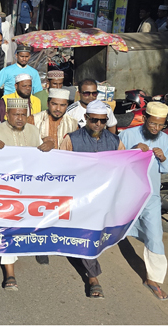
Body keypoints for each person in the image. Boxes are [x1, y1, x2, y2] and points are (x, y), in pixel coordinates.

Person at [57, 100, 124, 299]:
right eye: (94, 120)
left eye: (102, 121)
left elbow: (124, 165)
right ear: (86, 118)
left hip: (103, 198)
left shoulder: (114, 141)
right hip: (80, 197)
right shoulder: (72, 139)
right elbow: (61, 168)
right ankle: (93, 277)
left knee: (95, 234)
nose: (98, 125)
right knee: (87, 234)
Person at [0, 98, 51, 290]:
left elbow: (43, 154)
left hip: (29, 190)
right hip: (4, 191)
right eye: (16, 115)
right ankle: (10, 272)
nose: (20, 119)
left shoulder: (34, 131)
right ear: (7, 115)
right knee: (8, 225)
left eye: (23, 115)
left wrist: (49, 146)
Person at [117, 102, 168, 301]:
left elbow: (167, 168)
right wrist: (132, 151)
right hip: (127, 193)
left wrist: (163, 157)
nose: (155, 128)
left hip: (150, 196)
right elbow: (115, 162)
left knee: (155, 235)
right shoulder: (128, 135)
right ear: (145, 119)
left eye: (160, 125)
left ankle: (154, 280)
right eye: (152, 124)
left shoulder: (165, 139)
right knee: (113, 227)